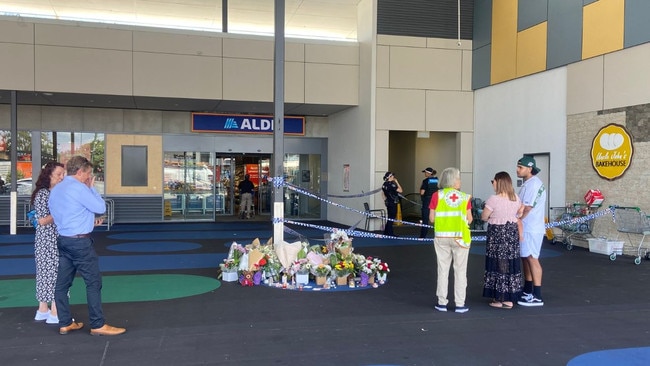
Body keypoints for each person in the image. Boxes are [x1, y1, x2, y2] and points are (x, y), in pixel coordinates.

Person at [49, 156, 126, 336]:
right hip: (80, 243)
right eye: (88, 174)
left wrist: (85, 220)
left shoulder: (56, 189)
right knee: (93, 283)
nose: (89, 177)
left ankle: (65, 322)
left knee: (61, 285)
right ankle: (97, 324)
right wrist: (92, 189)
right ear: (80, 171)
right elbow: (100, 207)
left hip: (63, 240)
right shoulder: (80, 188)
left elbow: (61, 212)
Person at [429, 167, 472, 313]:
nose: (460, 181)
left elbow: (431, 218)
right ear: (453, 181)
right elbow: (470, 219)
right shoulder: (465, 197)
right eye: (458, 178)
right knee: (460, 271)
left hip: (441, 237)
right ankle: (460, 304)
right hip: (460, 238)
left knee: (442, 270)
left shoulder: (437, 196)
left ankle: (442, 303)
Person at [481, 171, 524, 309]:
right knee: (509, 264)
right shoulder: (515, 198)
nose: (492, 183)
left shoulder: (493, 199)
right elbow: (519, 213)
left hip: (497, 234)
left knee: (498, 264)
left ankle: (500, 298)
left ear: (499, 182)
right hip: (511, 234)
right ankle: (510, 298)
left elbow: (483, 217)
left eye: (493, 181)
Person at [32, 161, 65, 324]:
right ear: (49, 175)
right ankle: (55, 312)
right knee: (58, 274)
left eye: (62, 174)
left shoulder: (46, 193)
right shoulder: (45, 194)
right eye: (58, 174)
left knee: (45, 274)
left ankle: (43, 309)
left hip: (46, 239)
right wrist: (62, 211)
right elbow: (43, 220)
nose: (61, 178)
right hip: (50, 239)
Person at [515, 155, 547, 307]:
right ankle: (528, 290)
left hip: (531, 228)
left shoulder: (534, 184)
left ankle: (537, 295)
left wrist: (518, 219)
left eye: (520, 167)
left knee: (532, 258)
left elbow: (527, 207)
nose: (517, 169)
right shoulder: (527, 184)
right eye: (518, 166)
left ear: (530, 168)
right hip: (526, 227)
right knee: (525, 257)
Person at [419, 167, 438, 238]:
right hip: (436, 200)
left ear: (428, 173)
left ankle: (422, 236)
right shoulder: (438, 180)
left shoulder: (426, 181)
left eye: (425, 172)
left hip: (427, 200)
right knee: (437, 219)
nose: (424, 174)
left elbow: (422, 192)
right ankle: (438, 235)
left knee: (425, 219)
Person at [381, 171, 402, 236]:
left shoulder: (384, 184)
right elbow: (401, 190)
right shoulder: (392, 184)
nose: (394, 177)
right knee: (391, 218)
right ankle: (390, 233)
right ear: (389, 177)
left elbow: (383, 193)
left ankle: (386, 232)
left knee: (389, 217)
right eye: (392, 176)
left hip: (388, 202)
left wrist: (385, 200)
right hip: (393, 202)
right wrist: (397, 182)